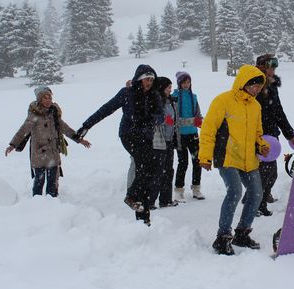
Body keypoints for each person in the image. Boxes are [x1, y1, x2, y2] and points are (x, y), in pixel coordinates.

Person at [76, 64, 163, 224]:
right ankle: (132, 196)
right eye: (146, 79)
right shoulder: (127, 93)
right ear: (139, 79)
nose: (149, 82)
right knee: (144, 163)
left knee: (150, 168)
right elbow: (106, 109)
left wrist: (154, 119)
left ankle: (143, 215)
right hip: (129, 134)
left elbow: (160, 115)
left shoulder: (154, 95)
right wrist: (86, 125)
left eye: (151, 79)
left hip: (146, 136)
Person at [199, 64, 270, 255]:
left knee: (256, 194)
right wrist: (205, 155)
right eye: (253, 85)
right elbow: (208, 130)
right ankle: (222, 238)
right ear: (244, 82)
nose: (256, 89)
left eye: (259, 87)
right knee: (235, 192)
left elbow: (258, 133)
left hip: (248, 159)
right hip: (227, 157)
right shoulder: (223, 101)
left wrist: (262, 144)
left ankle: (242, 233)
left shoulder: (255, 106)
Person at [6, 86, 91, 197]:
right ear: (39, 100)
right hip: (39, 152)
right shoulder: (34, 115)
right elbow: (23, 130)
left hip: (53, 152)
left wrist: (80, 140)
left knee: (53, 182)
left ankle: (52, 203)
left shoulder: (53, 113)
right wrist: (12, 145)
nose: (48, 100)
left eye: (49, 98)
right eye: (45, 98)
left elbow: (65, 128)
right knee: (39, 180)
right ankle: (36, 203)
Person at [254, 53, 294, 216]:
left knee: (270, 173)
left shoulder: (270, 85)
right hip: (259, 135)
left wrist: (289, 134)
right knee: (265, 172)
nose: (273, 70)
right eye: (270, 67)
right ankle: (257, 203)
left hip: (271, 134)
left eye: (274, 67)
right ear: (262, 67)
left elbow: (277, 111)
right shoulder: (254, 85)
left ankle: (261, 197)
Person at [172, 71, 205, 201]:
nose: (186, 85)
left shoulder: (194, 97)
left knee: (197, 161)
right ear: (179, 83)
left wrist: (200, 121)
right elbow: (170, 115)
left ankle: (196, 188)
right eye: (184, 82)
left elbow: (198, 113)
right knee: (183, 162)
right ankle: (179, 190)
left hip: (193, 134)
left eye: (188, 82)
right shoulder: (174, 96)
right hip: (180, 136)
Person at [154, 76, 180, 208]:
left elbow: (176, 120)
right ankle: (150, 201)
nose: (171, 89)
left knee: (168, 170)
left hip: (169, 141)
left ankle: (166, 199)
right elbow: (152, 118)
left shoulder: (171, 101)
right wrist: (164, 120)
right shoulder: (155, 101)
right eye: (168, 87)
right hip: (158, 142)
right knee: (157, 171)